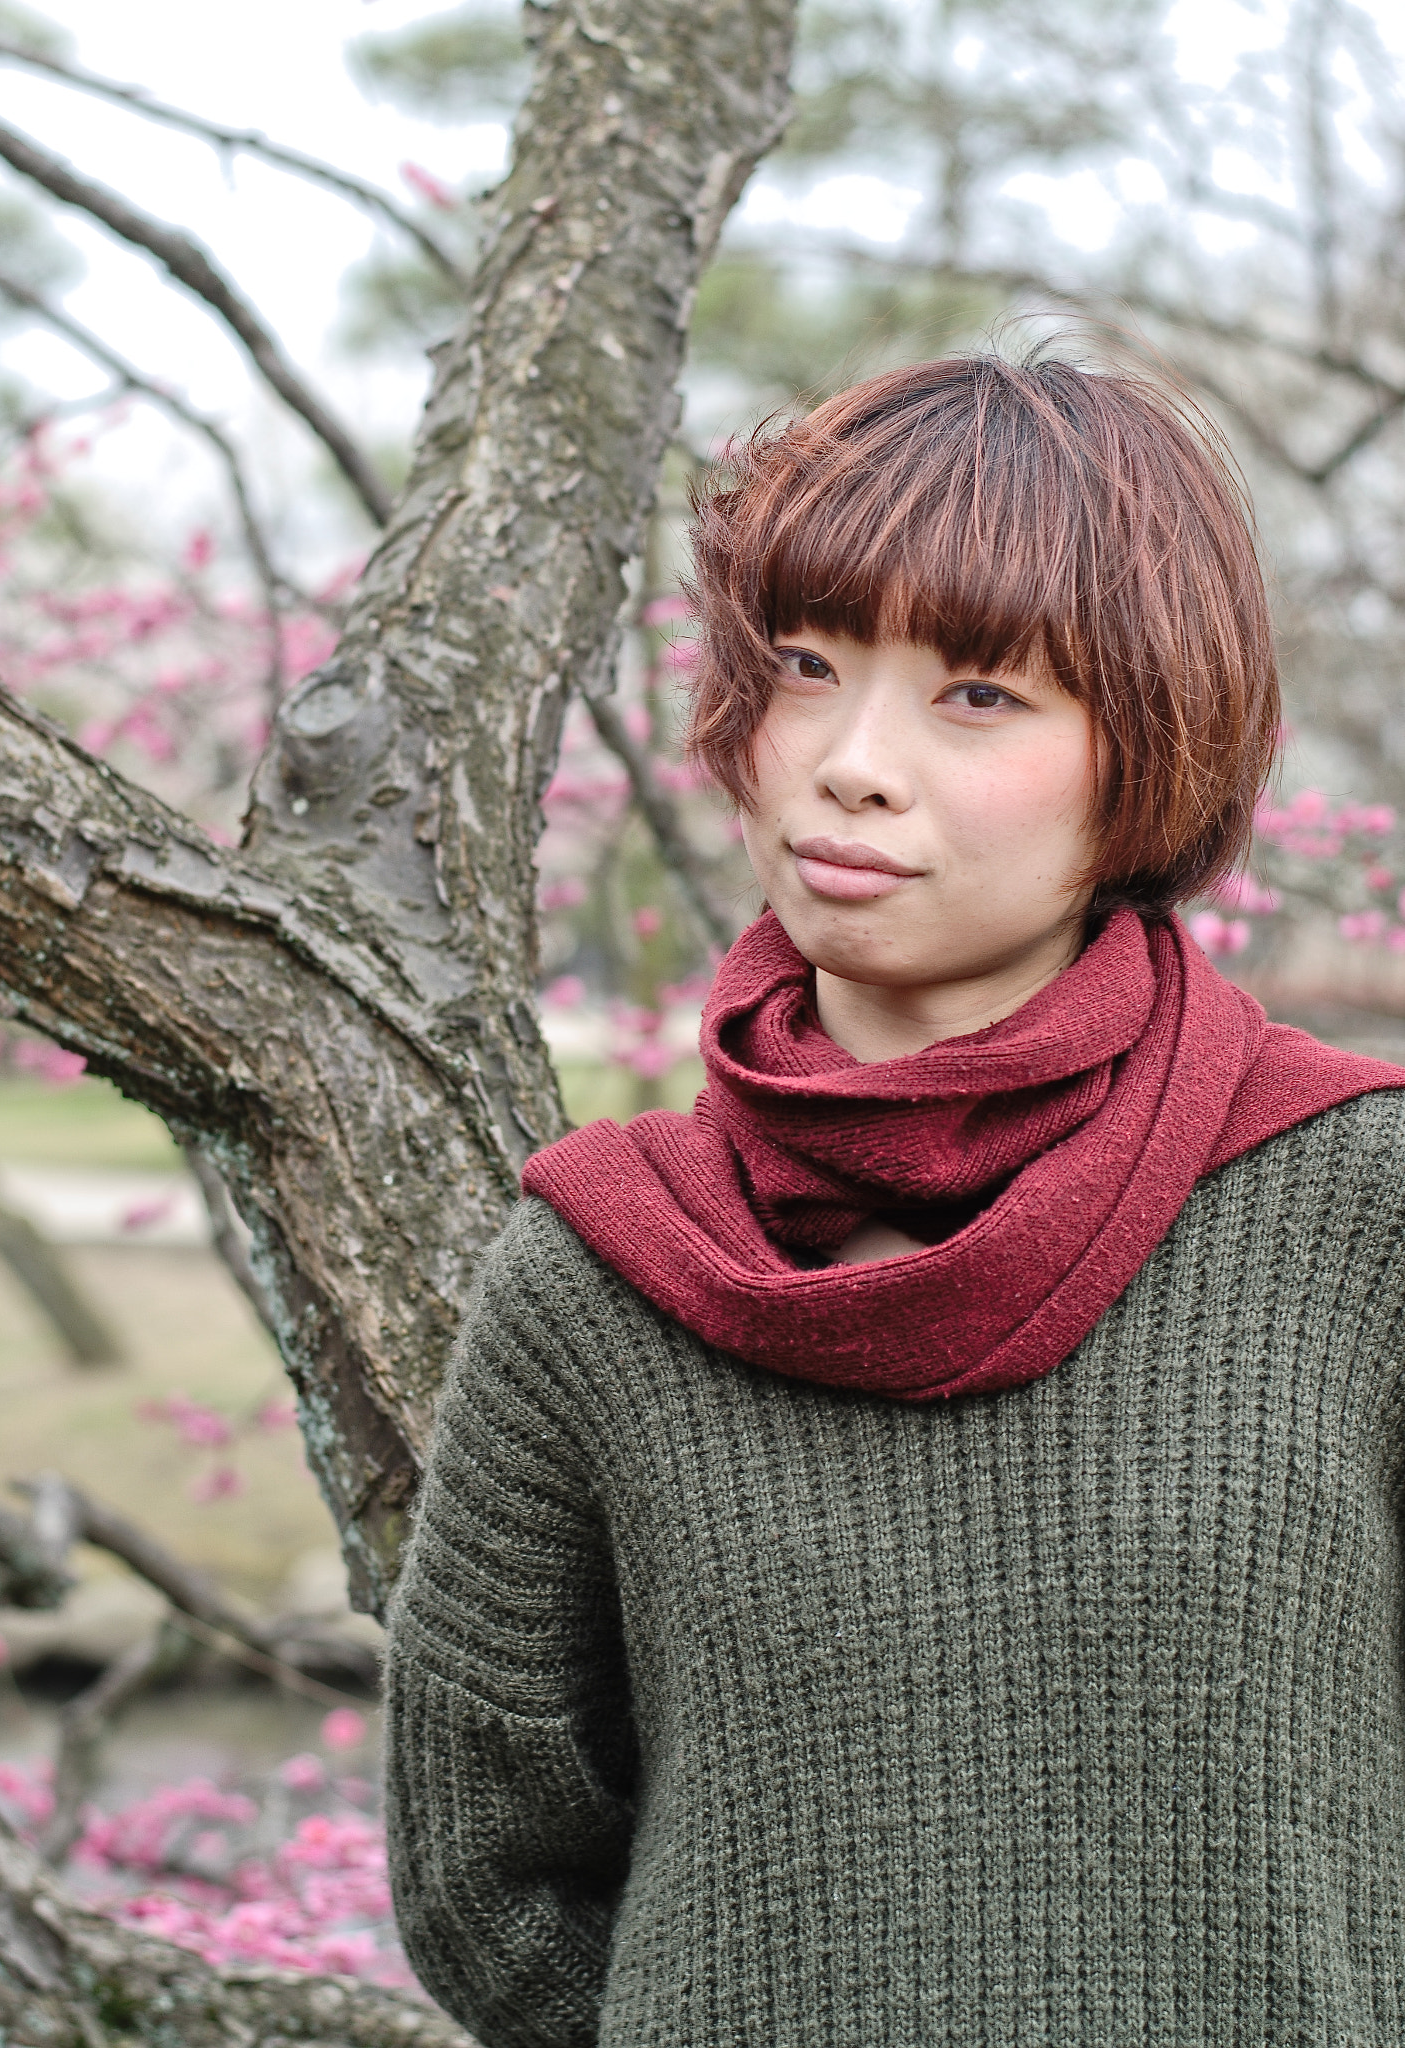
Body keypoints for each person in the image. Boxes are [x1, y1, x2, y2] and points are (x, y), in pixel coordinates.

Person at [384, 353, 1405, 2046]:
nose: (850, 763)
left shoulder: (1357, 1204)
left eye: (978, 693)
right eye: (806, 665)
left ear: (1143, 751)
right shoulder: (599, 1268)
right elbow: (485, 1878)